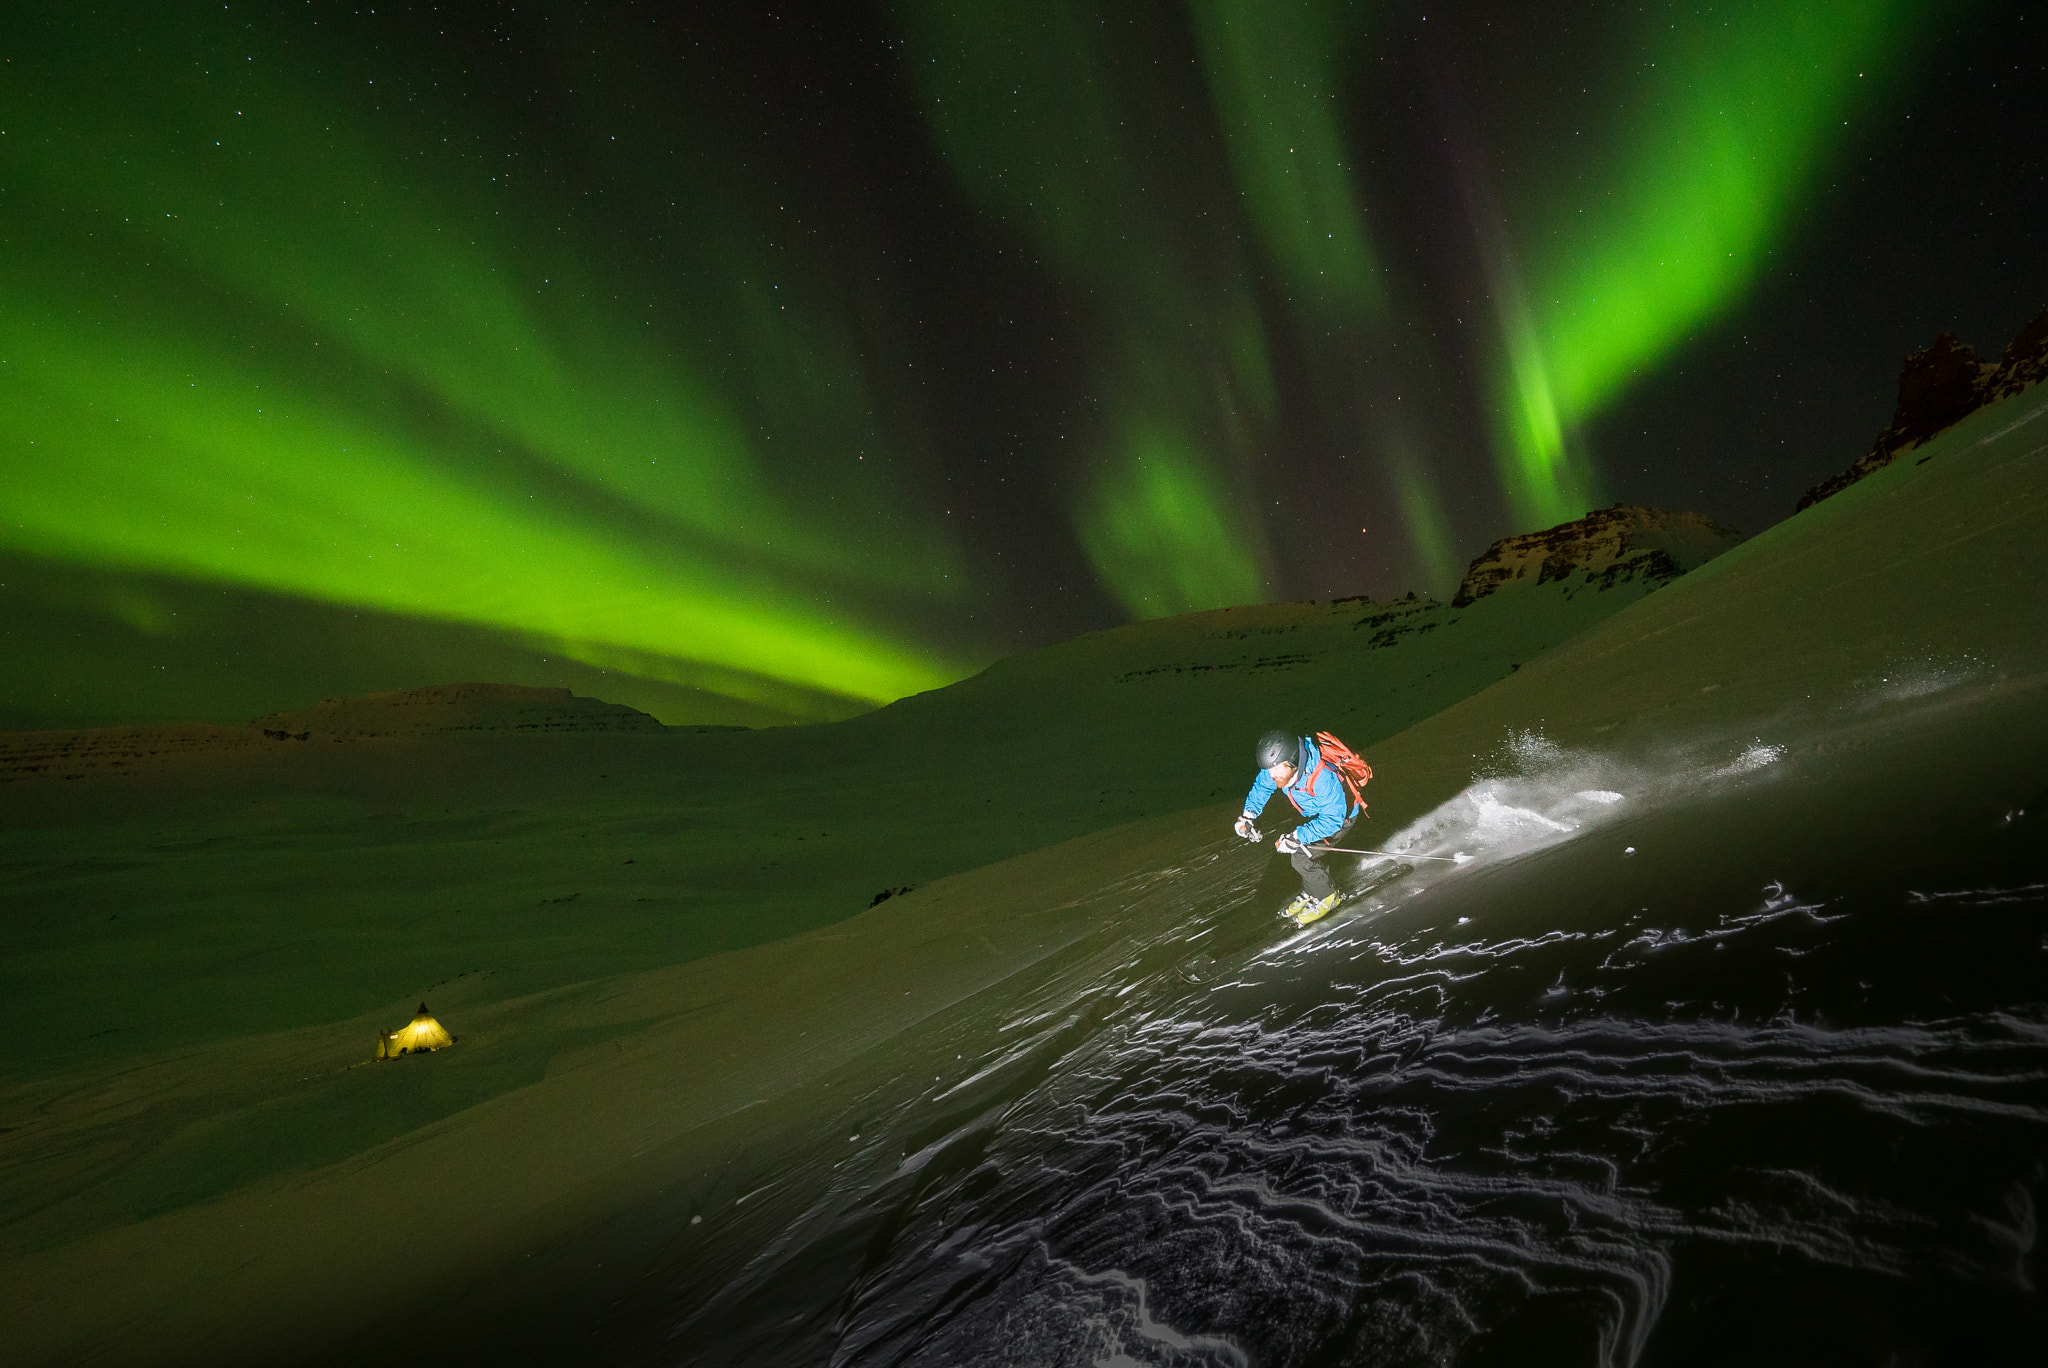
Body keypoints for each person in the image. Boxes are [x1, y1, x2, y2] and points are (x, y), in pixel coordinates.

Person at [1234, 728, 1361, 924]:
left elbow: (1333, 818)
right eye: (1269, 769)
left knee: (1301, 857)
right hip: (1317, 813)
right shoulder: (1282, 769)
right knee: (1300, 853)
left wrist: (1297, 837)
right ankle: (1314, 890)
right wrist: (1248, 816)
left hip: (1341, 817)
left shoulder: (1322, 777)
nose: (1272, 774)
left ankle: (1327, 896)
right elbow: (1262, 786)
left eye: (1276, 769)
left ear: (1292, 761)